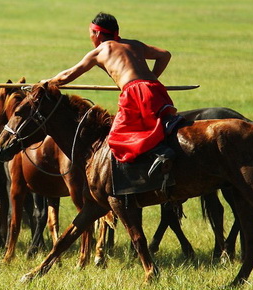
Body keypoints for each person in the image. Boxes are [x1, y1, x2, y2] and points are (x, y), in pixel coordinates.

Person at [43, 12, 179, 179]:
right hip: (156, 89)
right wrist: (151, 78)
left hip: (135, 93)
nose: (91, 38)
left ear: (98, 34)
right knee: (154, 127)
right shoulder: (134, 44)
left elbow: (66, 76)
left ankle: (159, 155)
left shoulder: (100, 51)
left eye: (91, 34)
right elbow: (165, 55)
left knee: (117, 137)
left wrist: (47, 83)